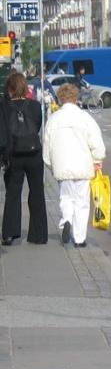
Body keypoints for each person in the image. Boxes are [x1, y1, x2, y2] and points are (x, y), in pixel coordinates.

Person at [43, 82, 106, 247]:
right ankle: (79, 238)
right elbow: (96, 142)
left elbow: (47, 146)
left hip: (63, 165)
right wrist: (97, 160)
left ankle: (66, 221)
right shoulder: (85, 118)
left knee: (65, 197)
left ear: (61, 98)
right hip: (83, 165)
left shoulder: (53, 119)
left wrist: (51, 165)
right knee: (82, 202)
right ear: (76, 97)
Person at [2, 71, 47, 245]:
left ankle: (9, 232)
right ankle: (39, 234)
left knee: (13, 193)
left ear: (10, 89)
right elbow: (36, 126)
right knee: (37, 192)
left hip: (14, 154)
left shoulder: (4, 107)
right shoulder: (35, 106)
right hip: (34, 152)